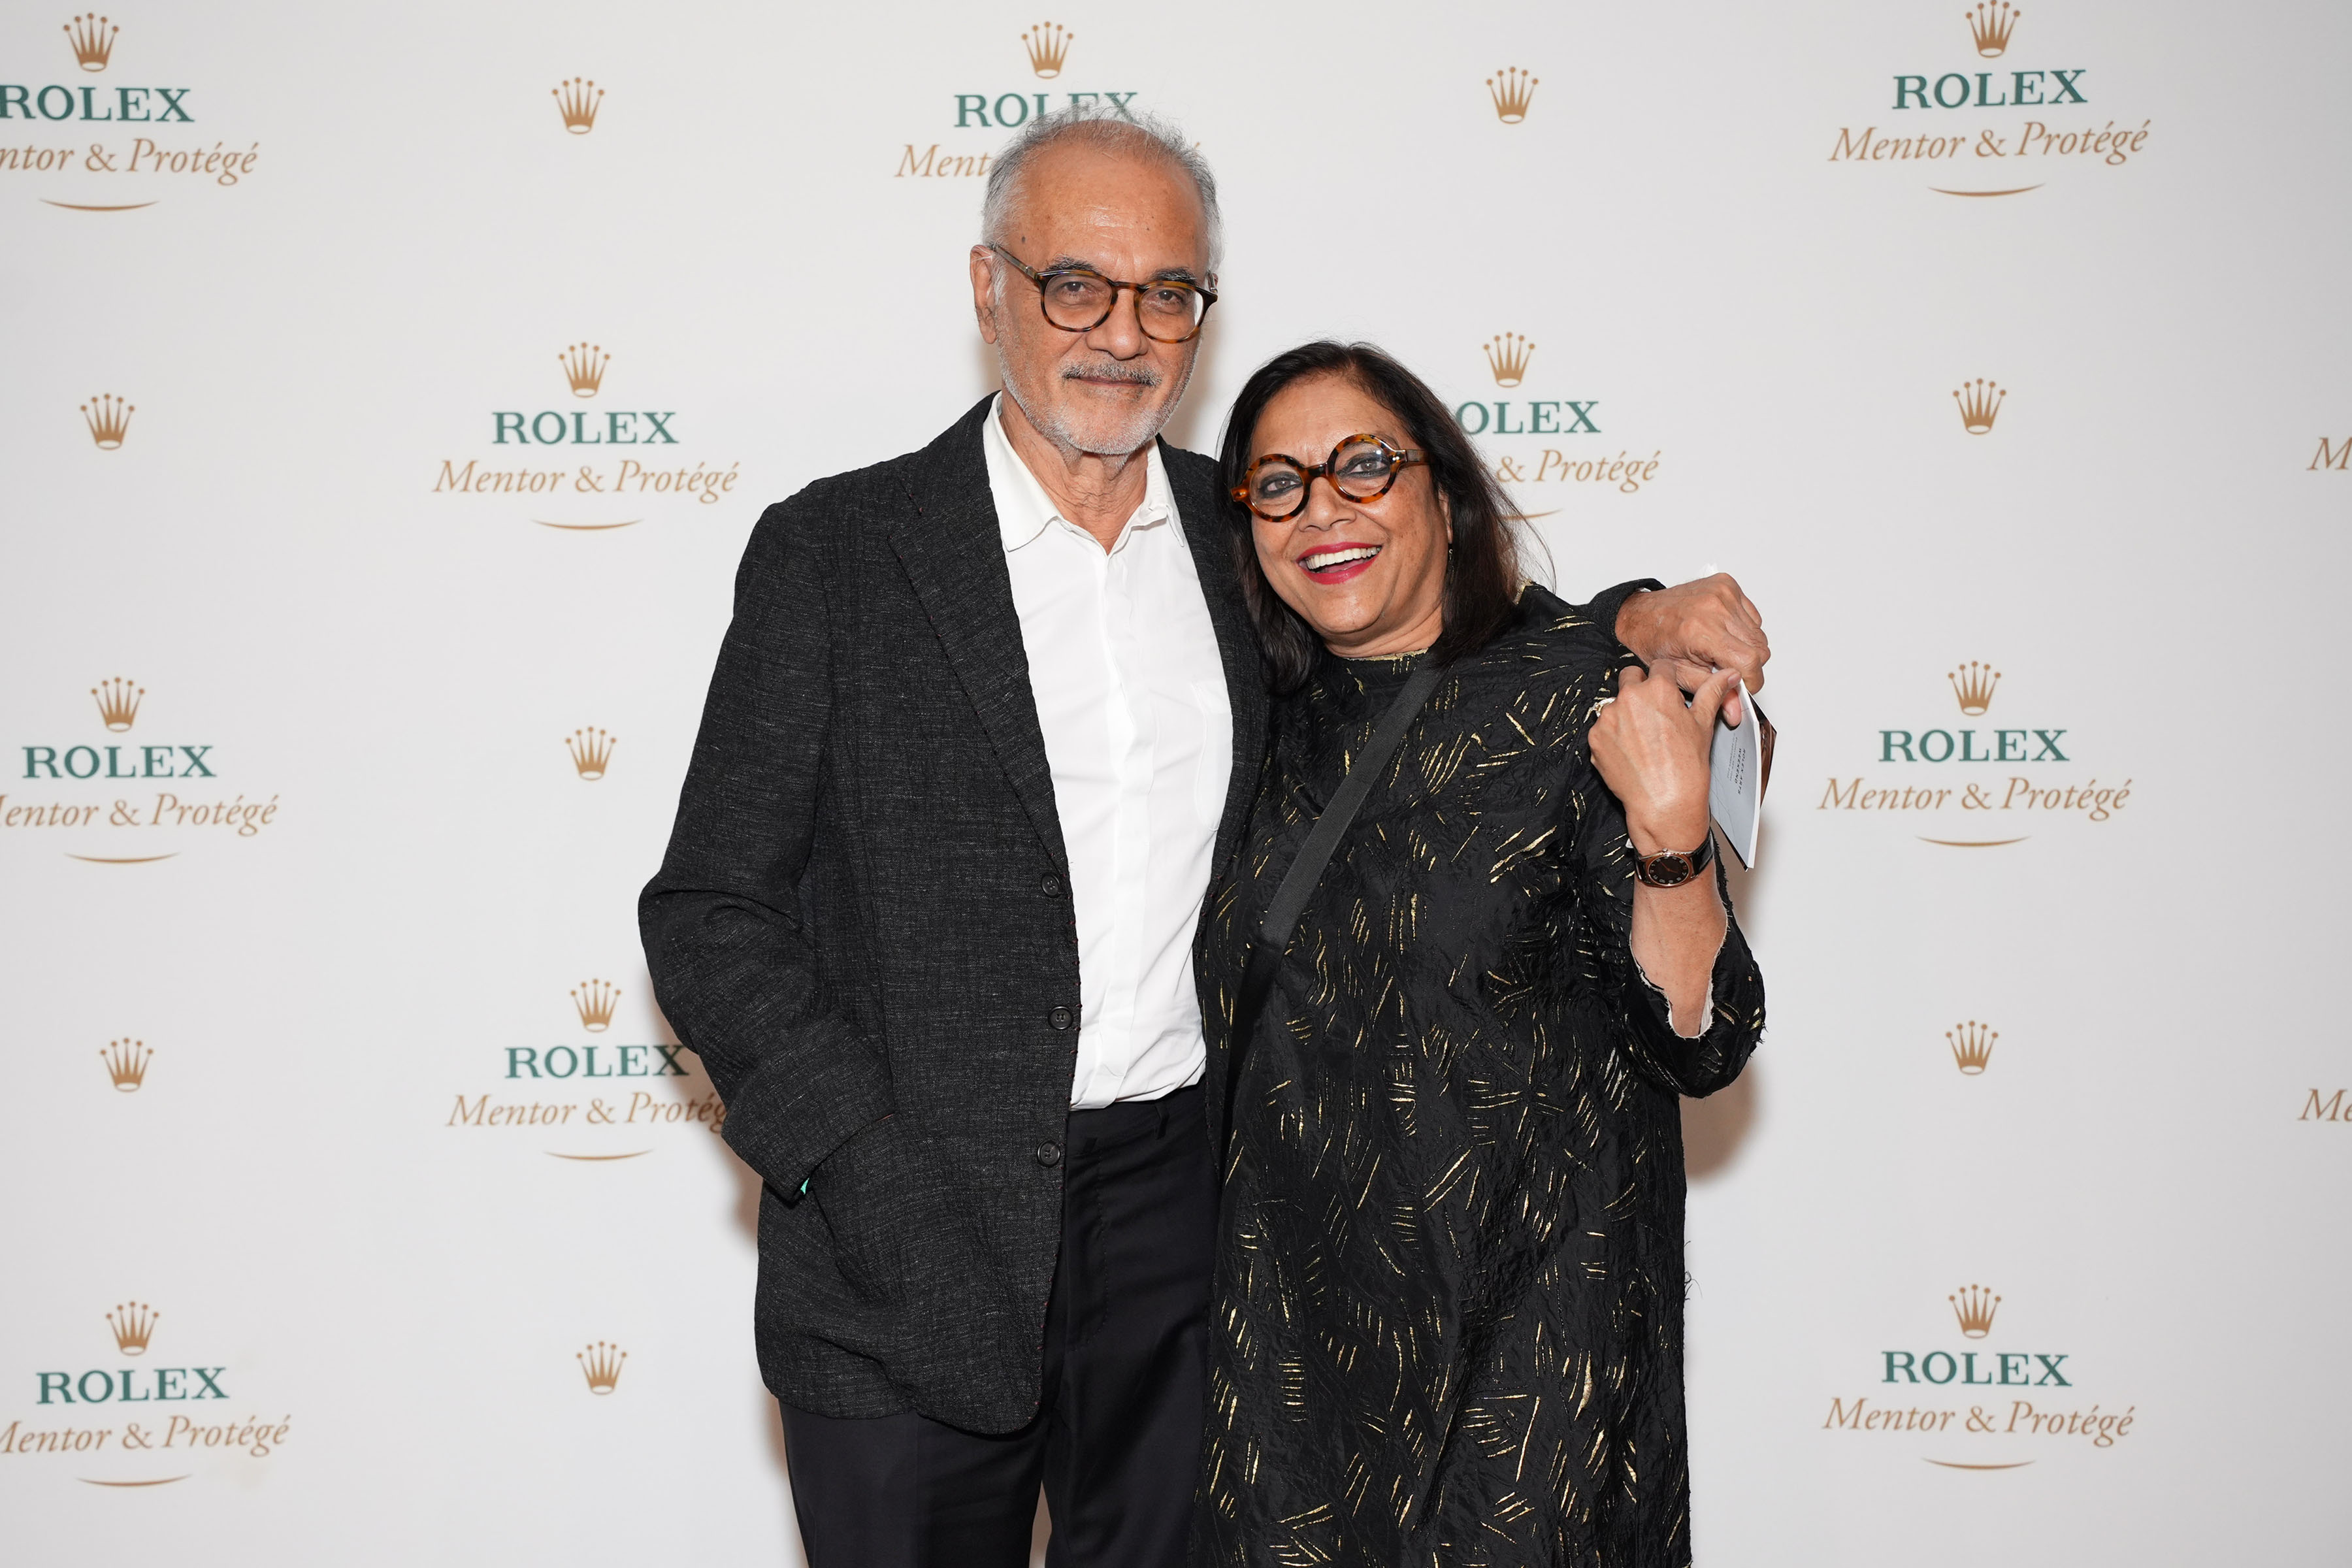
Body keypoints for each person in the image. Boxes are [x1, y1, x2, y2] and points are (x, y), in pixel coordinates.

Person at [639, 106, 1768, 1568]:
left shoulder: (1248, 539)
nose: (1123, 331)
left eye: (1167, 292)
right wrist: (859, 1169)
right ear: (990, 290)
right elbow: (711, 912)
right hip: (902, 1245)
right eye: (1075, 286)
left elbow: (1431, 638)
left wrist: (1632, 615)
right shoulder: (839, 551)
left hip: (1201, 1237)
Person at [1193, 341, 1765, 1567]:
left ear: (1443, 494)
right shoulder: (1247, 718)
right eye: (1278, 485)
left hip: (1529, 1368)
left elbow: (1704, 1038)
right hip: (1285, 1378)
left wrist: (1672, 841)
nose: (1322, 510)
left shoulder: (1584, 700)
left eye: (1363, 467)